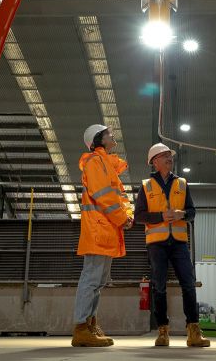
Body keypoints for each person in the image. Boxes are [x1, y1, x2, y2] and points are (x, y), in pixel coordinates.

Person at [134, 143, 211, 347]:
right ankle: (162, 331)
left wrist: (182, 214)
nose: (170, 158)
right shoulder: (146, 186)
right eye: (165, 155)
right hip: (156, 245)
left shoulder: (182, 184)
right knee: (158, 286)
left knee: (188, 284)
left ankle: (194, 331)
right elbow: (139, 216)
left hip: (178, 244)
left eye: (170, 155)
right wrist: (161, 216)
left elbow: (192, 212)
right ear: (155, 161)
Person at [71, 124, 134, 347]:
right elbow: (103, 196)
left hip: (106, 228)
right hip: (99, 229)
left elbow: (120, 198)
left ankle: (89, 324)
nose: (112, 135)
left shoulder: (107, 165)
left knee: (98, 281)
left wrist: (127, 215)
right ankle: (80, 328)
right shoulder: (94, 162)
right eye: (108, 133)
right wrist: (121, 219)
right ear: (99, 139)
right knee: (91, 279)